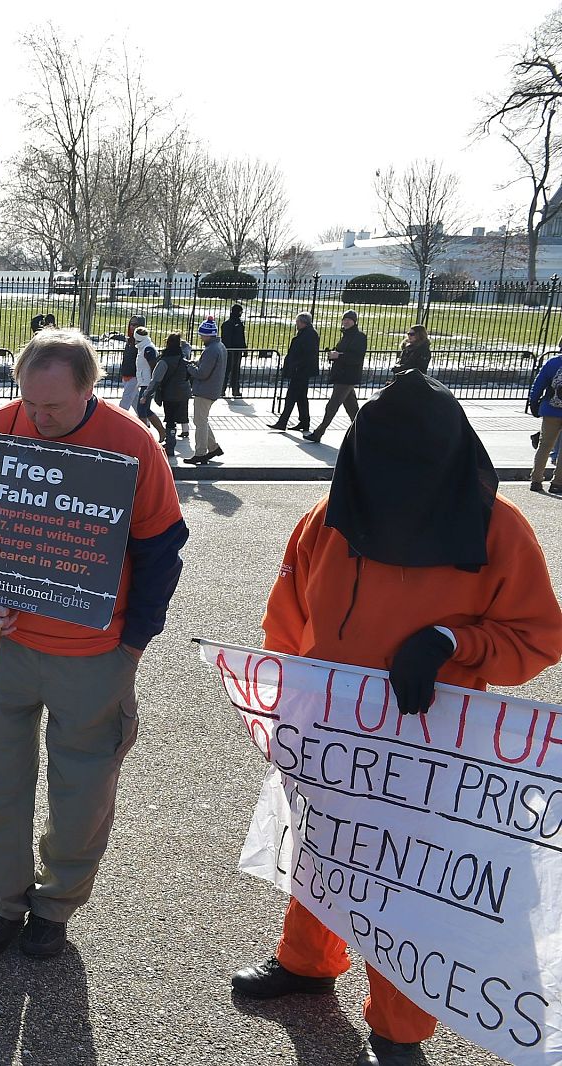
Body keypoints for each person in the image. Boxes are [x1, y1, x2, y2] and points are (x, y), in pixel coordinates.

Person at [232, 370, 562, 1066]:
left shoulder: (498, 529)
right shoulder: (328, 518)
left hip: (430, 744)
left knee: (407, 885)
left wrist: (454, 642)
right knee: (322, 847)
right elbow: (287, 616)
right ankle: (306, 962)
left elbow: (538, 638)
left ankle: (399, 1026)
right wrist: (284, 703)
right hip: (331, 732)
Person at [0, 328, 187, 960]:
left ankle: (56, 907)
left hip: (94, 653)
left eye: (52, 407)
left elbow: (160, 551)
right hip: (5, 646)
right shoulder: (1, 428)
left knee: (81, 793)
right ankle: (6, 902)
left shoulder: (132, 444)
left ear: (90, 389)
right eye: (28, 403)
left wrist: (135, 643)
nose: (36, 418)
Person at [305, 309, 366, 444]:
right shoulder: (346, 335)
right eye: (344, 319)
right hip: (342, 374)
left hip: (347, 376)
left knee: (332, 405)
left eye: (349, 319)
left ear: (354, 322)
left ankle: (318, 433)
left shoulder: (359, 336)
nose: (346, 321)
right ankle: (364, 433)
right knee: (352, 408)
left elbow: (357, 357)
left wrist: (339, 356)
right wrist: (334, 354)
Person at [183, 317, 226, 465]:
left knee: (200, 422)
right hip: (212, 389)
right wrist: (195, 363)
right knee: (201, 420)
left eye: (202, 335)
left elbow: (202, 373)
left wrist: (189, 367)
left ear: (208, 335)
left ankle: (200, 452)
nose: (201, 338)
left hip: (205, 390)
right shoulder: (219, 346)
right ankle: (213, 448)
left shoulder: (211, 350)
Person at [268, 312, 319, 432]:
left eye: (298, 322)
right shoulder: (307, 334)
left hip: (301, 370)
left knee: (291, 397)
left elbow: (306, 354)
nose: (296, 324)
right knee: (301, 397)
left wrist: (296, 366)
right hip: (301, 370)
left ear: (303, 323)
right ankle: (304, 421)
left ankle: (283, 422)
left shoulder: (309, 335)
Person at [142, 331, 191, 456]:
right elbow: (187, 347)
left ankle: (170, 445)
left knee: (170, 421)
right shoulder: (183, 357)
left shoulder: (164, 361)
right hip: (184, 393)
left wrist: (146, 395)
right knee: (179, 418)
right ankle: (175, 439)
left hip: (170, 395)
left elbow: (155, 380)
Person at [528, 341, 562, 494]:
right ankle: (557, 482)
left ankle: (536, 479)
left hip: (550, 410)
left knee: (544, 446)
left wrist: (533, 403)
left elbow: (538, 384)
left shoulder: (553, 362)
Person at [131, 327, 166, 441]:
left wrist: (153, 384)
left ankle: (144, 437)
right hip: (145, 382)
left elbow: (153, 366)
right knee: (145, 409)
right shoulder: (144, 347)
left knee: (142, 409)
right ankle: (161, 432)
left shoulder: (148, 349)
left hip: (148, 383)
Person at [118, 315, 146, 411]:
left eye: (135, 325)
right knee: (136, 402)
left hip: (134, 376)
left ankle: (118, 424)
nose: (132, 327)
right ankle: (145, 422)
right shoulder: (130, 340)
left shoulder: (141, 342)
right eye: (131, 324)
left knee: (124, 404)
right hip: (127, 374)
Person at [220, 304, 248, 398]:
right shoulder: (228, 324)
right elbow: (226, 339)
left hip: (237, 350)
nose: (241, 313)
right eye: (240, 312)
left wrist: (244, 348)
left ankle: (235, 390)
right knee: (227, 370)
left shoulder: (239, 323)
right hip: (230, 350)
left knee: (235, 371)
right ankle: (222, 389)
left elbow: (242, 337)